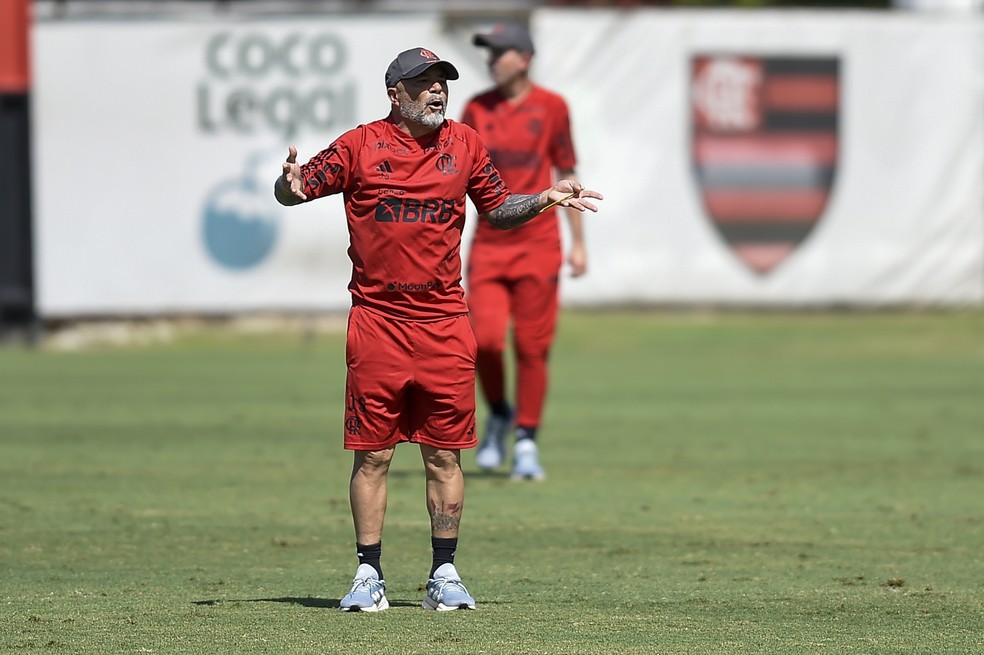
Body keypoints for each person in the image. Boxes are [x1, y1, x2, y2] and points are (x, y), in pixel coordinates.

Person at [273, 46, 602, 612]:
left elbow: (496, 208)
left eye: (442, 82)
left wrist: (545, 199)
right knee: (372, 456)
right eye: (423, 83)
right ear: (394, 94)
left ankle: (444, 574)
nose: (437, 91)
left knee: (444, 456)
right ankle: (367, 575)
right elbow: (297, 188)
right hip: (377, 323)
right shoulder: (359, 145)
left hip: (445, 323)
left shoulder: (466, 143)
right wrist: (288, 184)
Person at [461, 23, 586, 481]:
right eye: (489, 53)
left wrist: (579, 245)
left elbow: (567, 170)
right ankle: (498, 414)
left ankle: (527, 440)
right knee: (485, 341)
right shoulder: (475, 107)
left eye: (500, 52)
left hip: (539, 243)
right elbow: (459, 174)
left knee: (533, 347)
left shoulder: (553, 107)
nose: (492, 60)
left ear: (525, 57)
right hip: (491, 241)